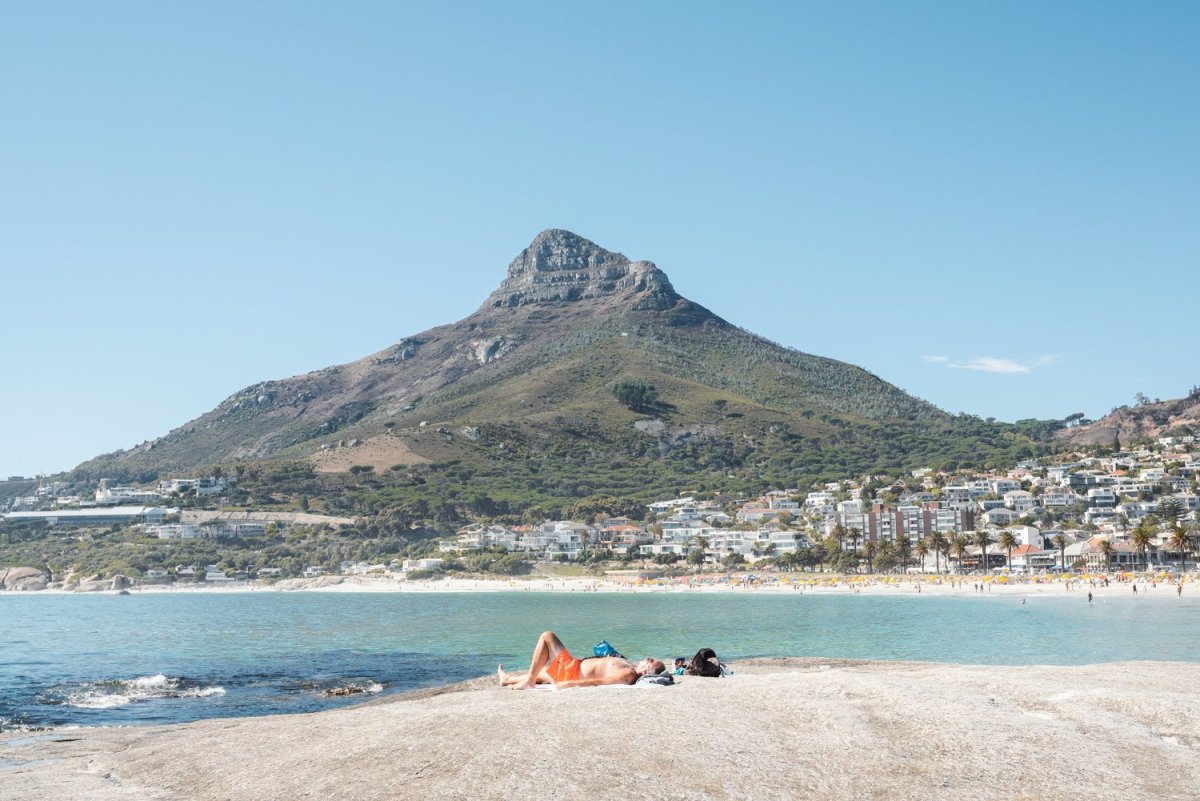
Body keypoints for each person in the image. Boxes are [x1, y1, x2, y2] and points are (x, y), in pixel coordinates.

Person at [497, 631, 665, 690]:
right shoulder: (630, 666)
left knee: (547, 636)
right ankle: (507, 679)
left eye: (649, 660)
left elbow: (600, 682)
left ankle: (529, 681)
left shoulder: (629, 673)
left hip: (571, 671)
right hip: (573, 667)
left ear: (647, 671)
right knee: (542, 673)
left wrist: (571, 684)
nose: (646, 658)